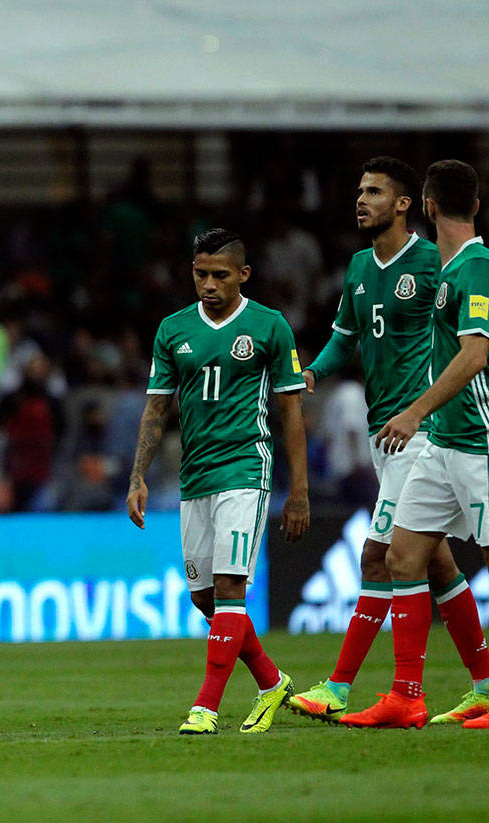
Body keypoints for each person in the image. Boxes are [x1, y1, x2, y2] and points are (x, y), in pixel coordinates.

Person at [289, 157, 467, 722]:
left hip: (418, 431)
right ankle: (485, 683)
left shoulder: (434, 263)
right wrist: (314, 371)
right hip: (380, 432)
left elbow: (466, 340)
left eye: (373, 191)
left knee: (379, 556)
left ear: (405, 203)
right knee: (434, 564)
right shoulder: (361, 267)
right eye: (359, 190)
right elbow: (345, 340)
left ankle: (342, 687)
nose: (361, 200)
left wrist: (426, 410)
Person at [127, 227, 309, 735]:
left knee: (231, 588)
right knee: (205, 598)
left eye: (219, 275)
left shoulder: (270, 326)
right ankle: (272, 684)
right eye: (200, 273)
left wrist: (299, 490)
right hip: (195, 474)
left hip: (246, 467)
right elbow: (157, 406)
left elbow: (292, 412)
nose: (208, 284)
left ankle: (205, 707)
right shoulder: (174, 329)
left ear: (243, 275)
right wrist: (137, 476)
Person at [341, 160, 489, 729]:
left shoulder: (475, 268)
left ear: (425, 206)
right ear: (473, 205)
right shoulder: (449, 269)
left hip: (475, 442)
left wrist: (413, 411)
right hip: (441, 446)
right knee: (402, 557)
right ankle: (407, 696)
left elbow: (476, 354)